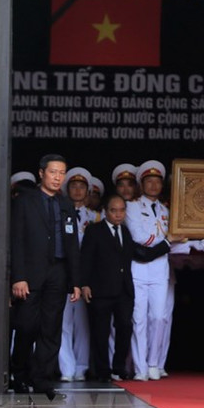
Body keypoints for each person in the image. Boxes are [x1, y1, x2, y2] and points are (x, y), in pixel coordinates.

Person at [10, 153, 81, 400]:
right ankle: (19, 374)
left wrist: (76, 281)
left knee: (51, 328)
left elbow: (73, 244)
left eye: (62, 173)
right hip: (30, 273)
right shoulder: (25, 201)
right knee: (26, 326)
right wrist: (18, 277)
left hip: (58, 272)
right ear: (41, 173)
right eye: (53, 172)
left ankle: (42, 380)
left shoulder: (66, 204)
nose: (57, 177)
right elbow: (16, 240)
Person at [80, 195, 169, 381]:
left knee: (125, 328)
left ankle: (118, 367)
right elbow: (86, 258)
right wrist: (84, 284)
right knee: (100, 332)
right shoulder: (94, 231)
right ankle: (102, 371)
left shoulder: (125, 232)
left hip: (123, 291)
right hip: (100, 290)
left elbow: (141, 254)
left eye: (121, 210)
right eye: (114, 210)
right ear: (105, 211)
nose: (118, 214)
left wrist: (167, 243)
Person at [124, 160, 171, 381]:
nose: (153, 185)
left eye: (157, 181)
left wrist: (168, 241)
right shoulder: (132, 207)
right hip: (139, 270)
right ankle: (140, 367)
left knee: (159, 318)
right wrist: (167, 240)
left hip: (160, 269)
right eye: (149, 181)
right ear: (141, 184)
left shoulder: (166, 209)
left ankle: (153, 362)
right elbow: (138, 237)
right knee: (139, 319)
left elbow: (175, 238)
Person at [58, 167, 96, 382]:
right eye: (74, 186)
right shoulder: (61, 212)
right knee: (64, 323)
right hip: (65, 275)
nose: (78, 190)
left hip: (85, 276)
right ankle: (67, 368)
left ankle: (81, 366)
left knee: (83, 325)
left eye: (82, 186)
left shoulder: (96, 217)